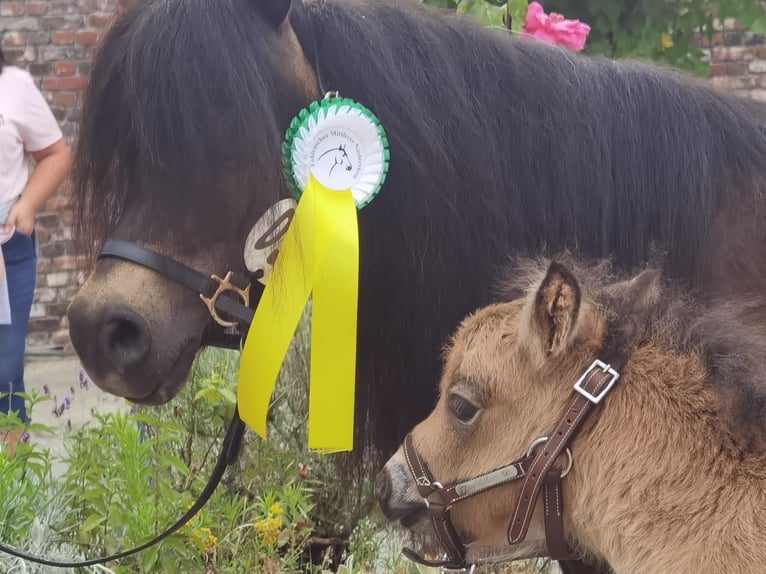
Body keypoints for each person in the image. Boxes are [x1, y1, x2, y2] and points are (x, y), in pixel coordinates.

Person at [0, 48, 71, 455]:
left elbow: (55, 154)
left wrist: (26, 204)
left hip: (8, 251)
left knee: (6, 374)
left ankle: (10, 499)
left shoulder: (15, 86)